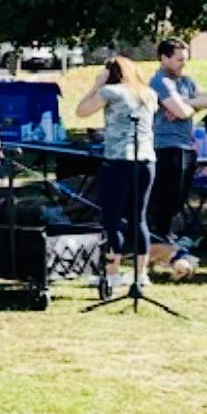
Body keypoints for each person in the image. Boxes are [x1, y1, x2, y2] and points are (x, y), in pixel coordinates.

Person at [75, 56, 158, 290]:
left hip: (118, 161)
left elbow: (81, 111)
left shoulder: (111, 92)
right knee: (139, 218)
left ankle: (112, 272)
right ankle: (141, 274)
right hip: (146, 161)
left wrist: (96, 85)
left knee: (112, 219)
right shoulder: (148, 93)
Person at [147, 38, 207, 245]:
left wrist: (183, 101)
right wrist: (186, 106)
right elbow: (182, 113)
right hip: (165, 147)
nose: (183, 63)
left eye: (185, 59)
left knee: (179, 197)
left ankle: (168, 236)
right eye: (179, 59)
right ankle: (160, 236)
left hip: (186, 146)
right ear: (164, 58)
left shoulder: (187, 81)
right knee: (166, 197)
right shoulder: (159, 81)